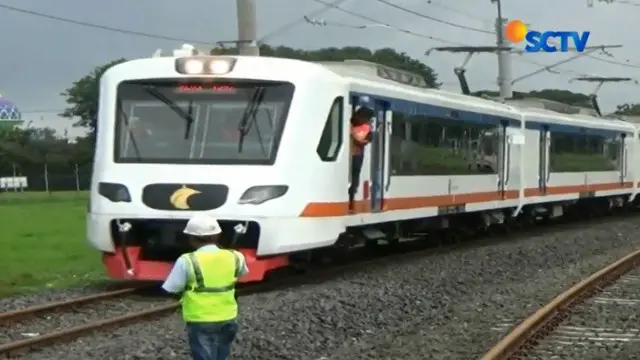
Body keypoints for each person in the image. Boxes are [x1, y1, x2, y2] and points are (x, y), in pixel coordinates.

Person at [162, 214, 249, 360]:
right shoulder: (236, 256)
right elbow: (242, 273)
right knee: (222, 353)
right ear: (218, 235)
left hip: (200, 317)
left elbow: (173, 287)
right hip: (228, 314)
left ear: (191, 238)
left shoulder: (187, 260)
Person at [348, 107, 374, 211]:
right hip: (357, 154)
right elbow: (366, 139)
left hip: (354, 153)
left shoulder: (351, 123)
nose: (370, 121)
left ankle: (351, 196)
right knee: (355, 176)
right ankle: (351, 197)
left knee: (353, 176)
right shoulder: (366, 126)